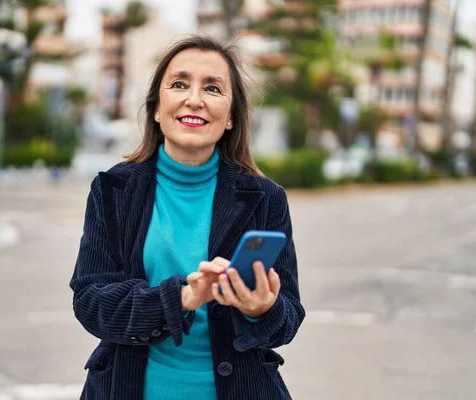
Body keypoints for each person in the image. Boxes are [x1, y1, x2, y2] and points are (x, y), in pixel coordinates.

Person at [70, 35, 305, 400]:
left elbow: (288, 319)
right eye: (179, 84)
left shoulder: (266, 198)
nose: (194, 99)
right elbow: (91, 301)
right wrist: (181, 298)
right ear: (157, 108)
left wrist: (264, 309)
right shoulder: (113, 189)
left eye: (212, 88)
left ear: (230, 117)